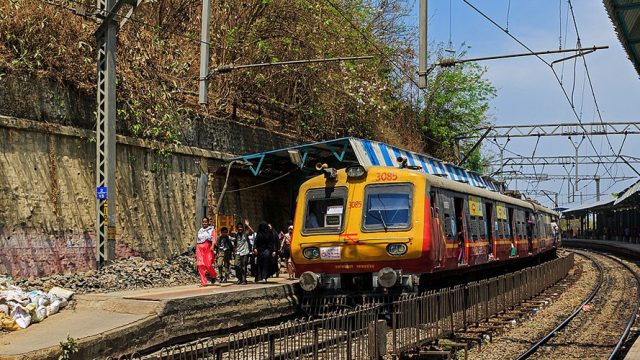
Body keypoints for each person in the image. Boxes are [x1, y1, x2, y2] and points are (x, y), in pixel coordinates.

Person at [195, 217, 217, 286]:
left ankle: (213, 275)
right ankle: (203, 282)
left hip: (208, 248)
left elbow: (214, 238)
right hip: (199, 248)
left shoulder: (212, 230)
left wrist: (213, 246)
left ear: (208, 222)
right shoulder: (200, 230)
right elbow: (198, 240)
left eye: (206, 222)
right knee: (200, 265)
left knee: (208, 265)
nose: (204, 223)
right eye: (203, 222)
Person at [233, 219, 254, 285]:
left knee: (244, 265)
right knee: (236, 265)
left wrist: (248, 225)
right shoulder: (236, 235)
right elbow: (230, 233)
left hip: (245, 252)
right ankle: (239, 278)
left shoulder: (245, 233)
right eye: (238, 227)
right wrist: (231, 226)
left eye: (241, 227)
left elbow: (252, 231)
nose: (240, 228)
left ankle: (244, 279)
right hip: (238, 252)